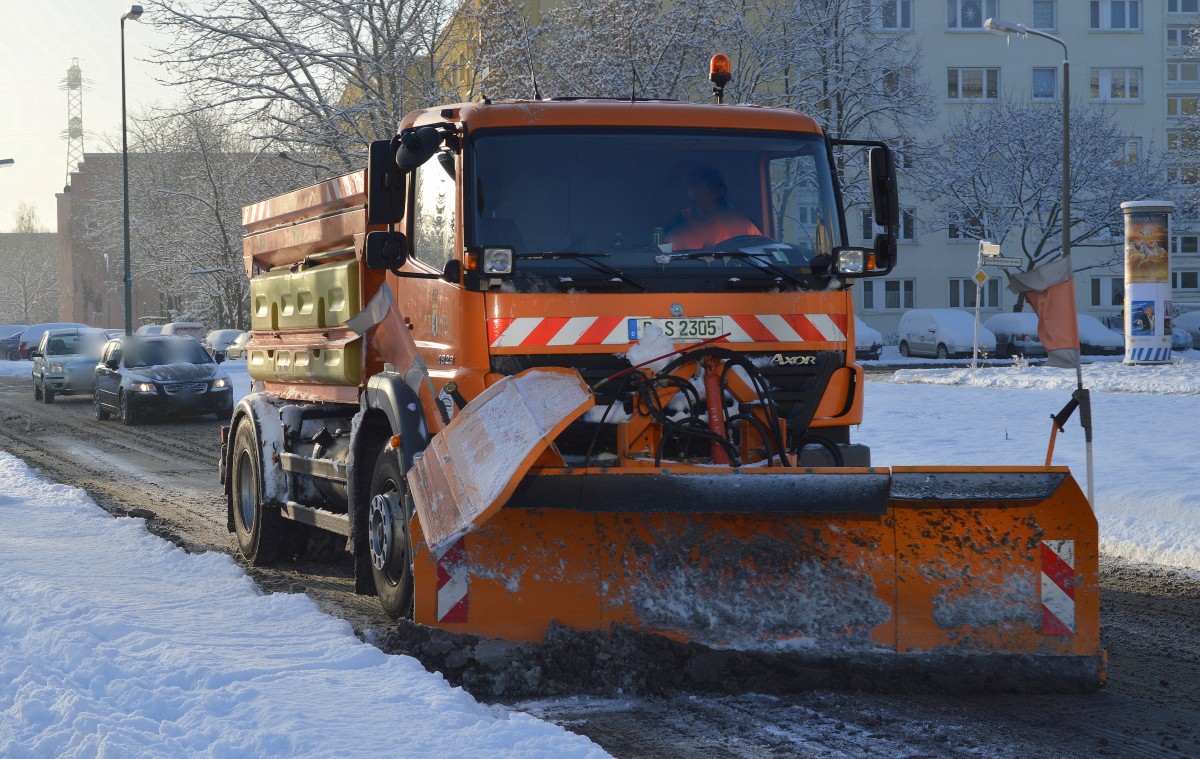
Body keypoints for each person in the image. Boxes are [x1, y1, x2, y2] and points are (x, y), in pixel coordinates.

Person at [664, 166, 761, 251]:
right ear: (692, 194)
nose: (707, 195)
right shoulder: (677, 237)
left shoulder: (743, 227)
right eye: (701, 189)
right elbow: (665, 265)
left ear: (720, 192)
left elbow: (761, 256)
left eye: (711, 189)